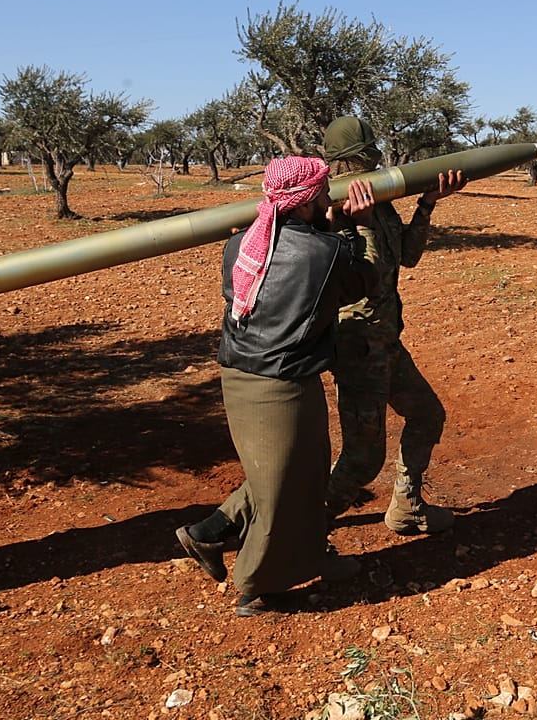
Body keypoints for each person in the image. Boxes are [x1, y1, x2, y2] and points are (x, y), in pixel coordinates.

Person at [176, 156, 377, 617]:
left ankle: (212, 533)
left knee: (300, 471)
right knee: (283, 487)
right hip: (280, 384)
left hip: (241, 374)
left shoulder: (240, 243)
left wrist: (330, 232)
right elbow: (363, 281)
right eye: (323, 192)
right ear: (305, 202)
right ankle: (258, 586)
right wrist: (360, 229)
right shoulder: (324, 252)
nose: (330, 197)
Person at [322, 116, 466, 535]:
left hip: (386, 342)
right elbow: (362, 275)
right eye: (360, 156)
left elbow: (408, 256)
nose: (368, 162)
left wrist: (427, 203)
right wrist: (359, 224)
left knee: (427, 415)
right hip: (356, 346)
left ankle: (407, 507)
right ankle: (301, 530)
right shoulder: (331, 212)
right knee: (363, 460)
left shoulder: (376, 201)